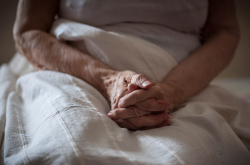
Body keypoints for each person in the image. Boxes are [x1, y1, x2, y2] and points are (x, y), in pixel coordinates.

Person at [13, 0, 239, 130]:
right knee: (71, 140)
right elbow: (27, 32)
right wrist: (108, 80)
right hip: (73, 73)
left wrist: (169, 92)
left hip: (188, 85)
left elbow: (224, 31)